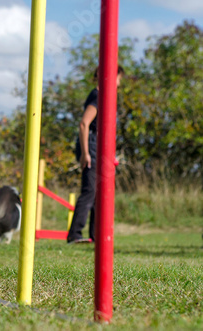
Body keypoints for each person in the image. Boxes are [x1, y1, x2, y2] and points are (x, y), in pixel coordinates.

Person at [67, 65, 124, 244]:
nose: (119, 84)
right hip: (91, 147)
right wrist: (85, 153)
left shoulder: (105, 97)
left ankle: (95, 234)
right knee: (90, 191)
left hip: (100, 148)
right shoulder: (97, 95)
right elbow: (84, 124)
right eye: (118, 79)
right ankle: (74, 235)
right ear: (105, 76)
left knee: (99, 193)